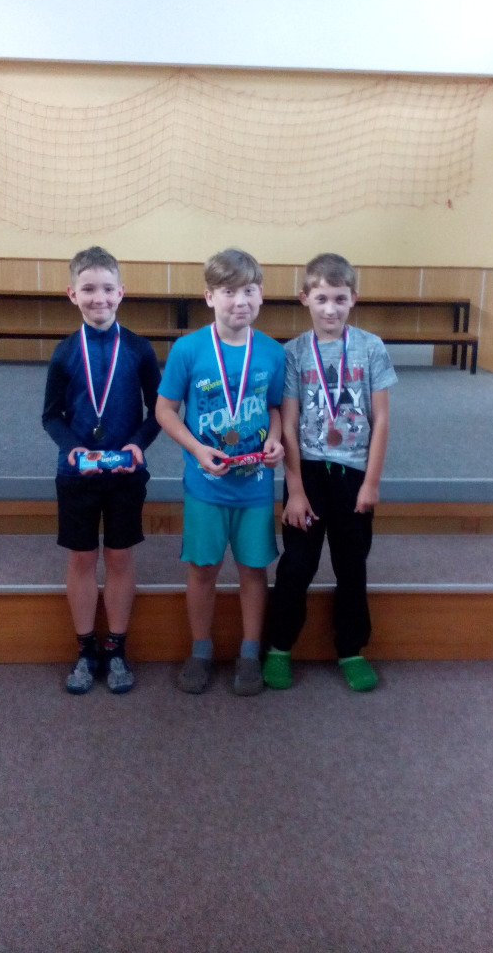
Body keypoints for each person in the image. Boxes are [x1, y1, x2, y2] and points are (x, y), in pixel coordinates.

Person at [262, 253, 397, 692]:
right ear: (304, 298)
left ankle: (351, 648)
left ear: (353, 298)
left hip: (354, 474)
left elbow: (381, 419)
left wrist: (371, 483)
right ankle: (279, 647)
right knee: (297, 565)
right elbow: (289, 425)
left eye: (340, 298)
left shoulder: (371, 347)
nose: (331, 309)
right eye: (321, 299)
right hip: (308, 474)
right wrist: (295, 490)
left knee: (351, 565)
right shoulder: (294, 353)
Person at [156, 248, 284, 696]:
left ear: (261, 295)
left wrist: (275, 439)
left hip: (255, 487)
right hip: (205, 487)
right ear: (209, 297)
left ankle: (250, 653)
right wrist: (195, 448)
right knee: (203, 569)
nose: (239, 301)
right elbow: (165, 410)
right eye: (228, 292)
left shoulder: (272, 352)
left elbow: (274, 406)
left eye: (248, 290)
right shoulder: (188, 349)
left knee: (253, 570)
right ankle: (200, 649)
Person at [42, 246, 161, 694]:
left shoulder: (139, 349)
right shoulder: (64, 352)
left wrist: (137, 444)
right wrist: (73, 449)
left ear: (121, 292)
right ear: (72, 294)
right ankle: (85, 649)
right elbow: (51, 416)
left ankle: (116, 648)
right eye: (89, 289)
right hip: (77, 475)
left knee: (120, 557)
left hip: (126, 475)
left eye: (108, 289)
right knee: (81, 559)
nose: (99, 298)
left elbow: (160, 411)